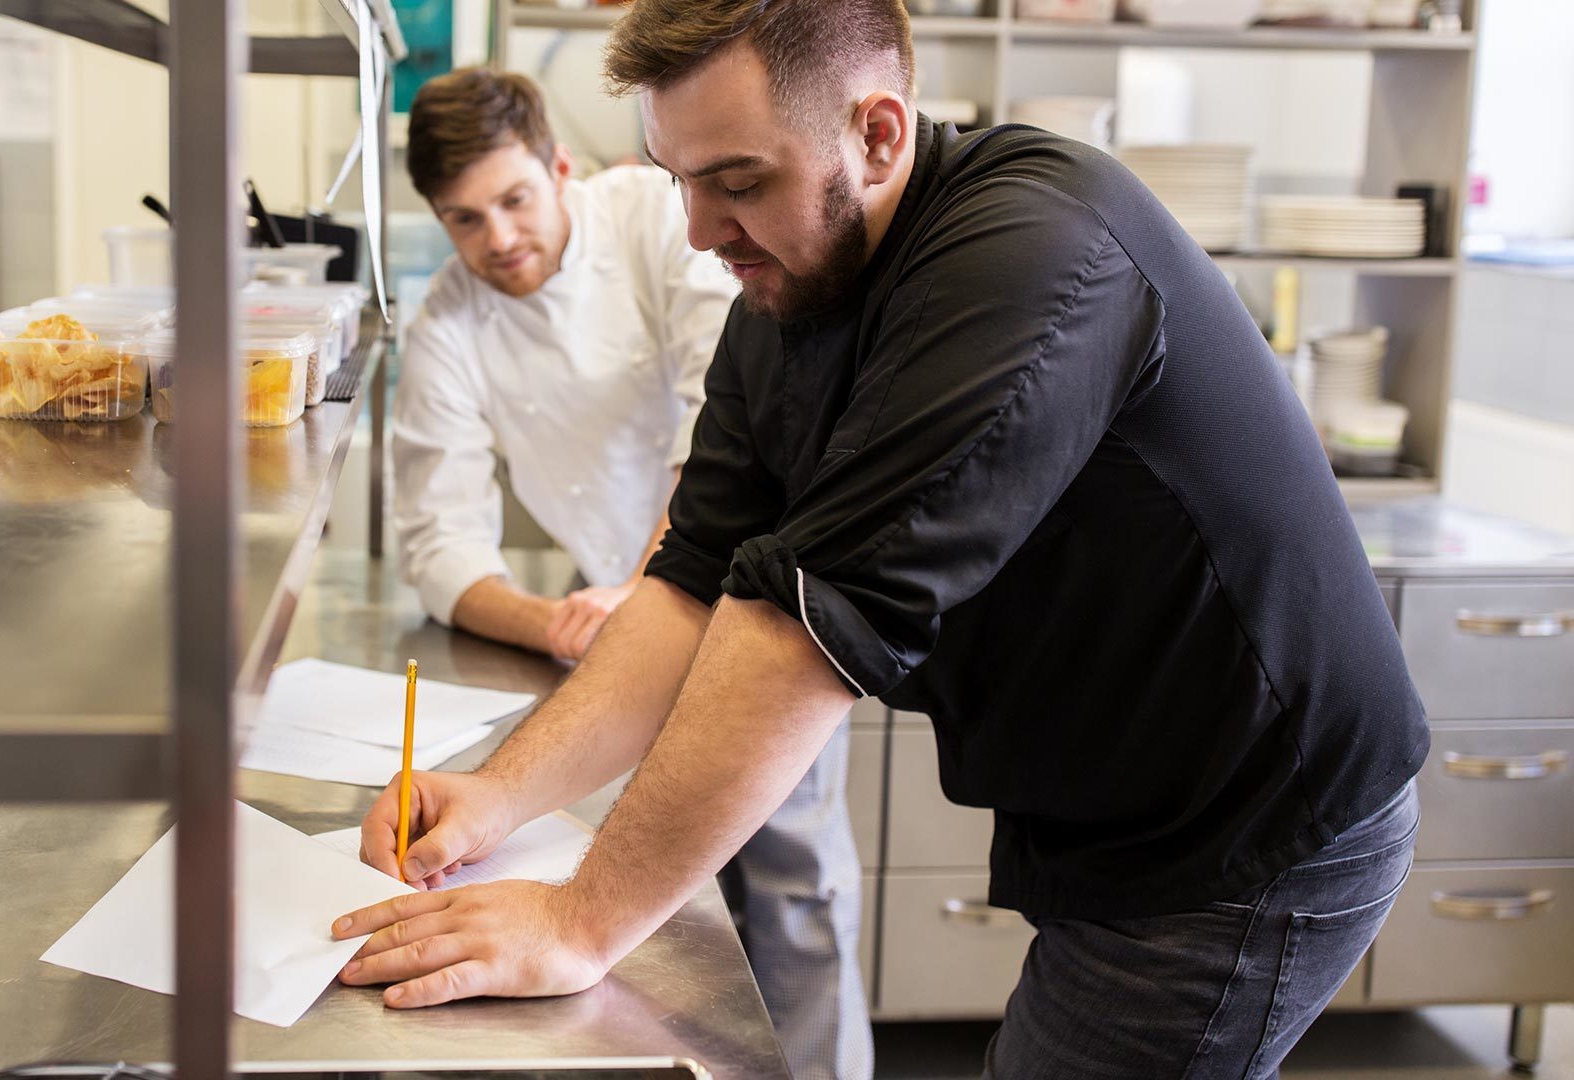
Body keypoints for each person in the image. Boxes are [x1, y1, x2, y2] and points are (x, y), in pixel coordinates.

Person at [338, 2, 1429, 1076]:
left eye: (738, 182)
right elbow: (687, 585)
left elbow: (801, 632)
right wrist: (501, 793)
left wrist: (580, 921)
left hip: (1250, 819)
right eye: (679, 181)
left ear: (877, 134)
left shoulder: (1030, 252)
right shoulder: (788, 290)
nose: (699, 231)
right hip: (1118, 803)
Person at [389, 68, 873, 1079]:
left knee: (791, 892)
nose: (499, 239)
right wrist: (557, 624)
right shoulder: (446, 328)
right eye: (464, 220)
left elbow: (727, 430)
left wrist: (653, 584)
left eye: (516, 200)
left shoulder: (660, 221)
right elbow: (437, 542)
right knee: (646, 914)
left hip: (765, 604)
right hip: (618, 640)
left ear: (560, 167)